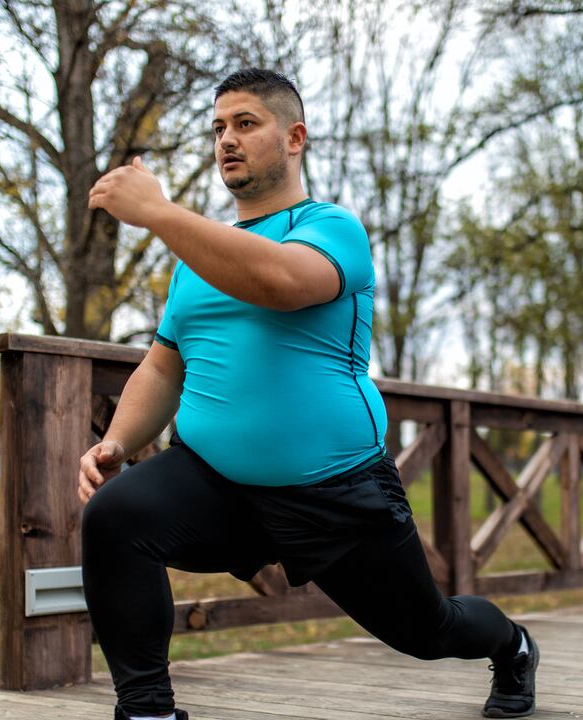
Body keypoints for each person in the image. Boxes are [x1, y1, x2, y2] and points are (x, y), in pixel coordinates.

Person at [80, 68, 539, 720]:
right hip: (217, 483)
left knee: (427, 630)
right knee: (116, 518)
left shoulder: (331, 228)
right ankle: (147, 710)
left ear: (294, 137)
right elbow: (161, 368)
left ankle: (513, 647)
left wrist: (157, 212)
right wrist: (117, 442)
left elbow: (282, 283)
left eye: (246, 123)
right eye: (218, 127)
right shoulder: (193, 260)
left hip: (334, 492)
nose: (226, 140)